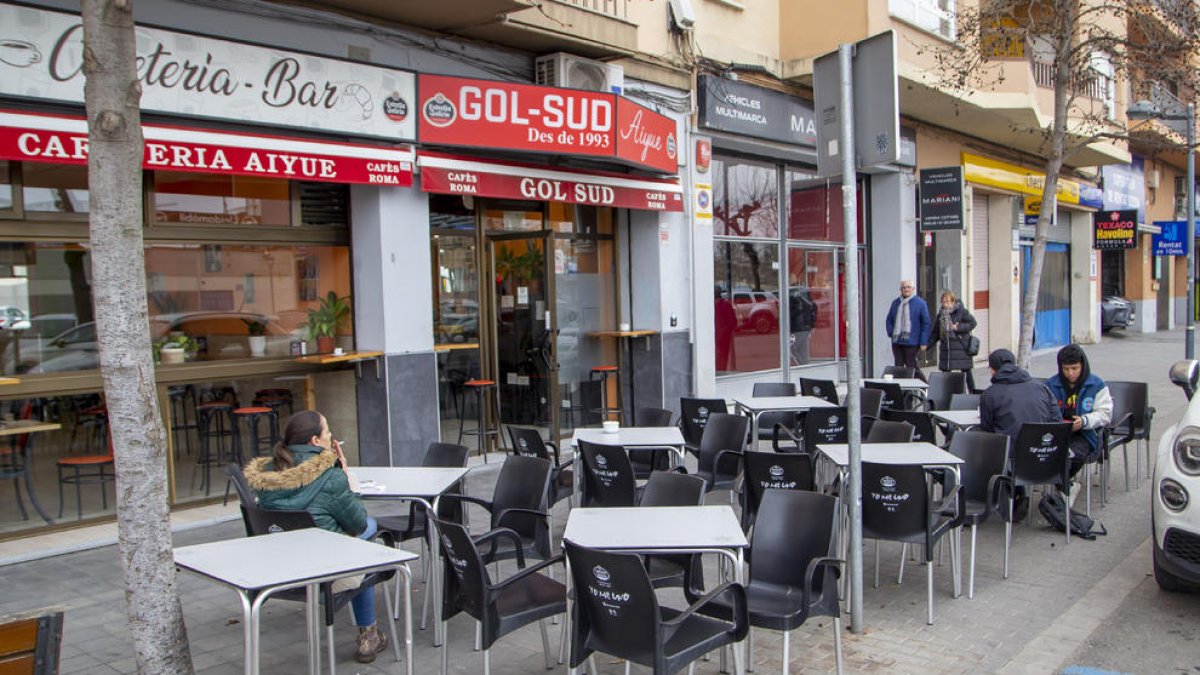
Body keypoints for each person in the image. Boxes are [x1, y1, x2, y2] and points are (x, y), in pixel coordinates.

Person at [242, 410, 389, 664]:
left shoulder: (266, 477)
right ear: (314, 441)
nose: (331, 435)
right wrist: (344, 475)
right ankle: (368, 634)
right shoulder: (330, 477)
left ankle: (369, 632)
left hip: (279, 571)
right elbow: (357, 523)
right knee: (370, 531)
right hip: (325, 574)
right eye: (327, 431)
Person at [979, 348, 1061, 519]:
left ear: (992, 369)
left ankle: (1007, 498)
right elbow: (1057, 421)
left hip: (1012, 463)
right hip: (1048, 458)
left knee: (990, 450)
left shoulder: (990, 394)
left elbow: (988, 431)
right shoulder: (1041, 388)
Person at [1045, 344, 1113, 485]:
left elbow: (1105, 414)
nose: (1070, 373)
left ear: (1083, 365)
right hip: (1056, 433)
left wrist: (1084, 421)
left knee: (1072, 456)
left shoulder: (1096, 385)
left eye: (1074, 368)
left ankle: (1063, 488)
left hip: (1084, 434)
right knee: (1045, 456)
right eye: (1066, 369)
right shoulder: (1050, 385)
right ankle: (1065, 488)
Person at [928, 291, 978, 391]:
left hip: (961, 347)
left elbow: (973, 323)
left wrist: (958, 327)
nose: (946, 304)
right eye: (943, 302)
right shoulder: (941, 315)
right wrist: (927, 345)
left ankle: (973, 393)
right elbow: (936, 333)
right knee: (946, 373)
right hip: (947, 349)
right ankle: (946, 394)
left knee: (966, 371)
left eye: (948, 302)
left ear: (953, 302)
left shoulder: (962, 312)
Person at [884, 280, 931, 379]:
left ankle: (924, 386)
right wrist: (891, 333)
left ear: (913, 289)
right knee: (898, 367)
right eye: (904, 287)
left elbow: (926, 323)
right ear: (901, 289)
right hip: (897, 342)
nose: (906, 289)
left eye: (909, 287)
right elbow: (889, 319)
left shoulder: (920, 303)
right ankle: (902, 389)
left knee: (912, 366)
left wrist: (923, 342)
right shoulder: (895, 303)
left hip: (912, 342)